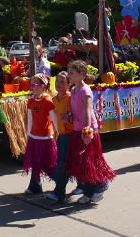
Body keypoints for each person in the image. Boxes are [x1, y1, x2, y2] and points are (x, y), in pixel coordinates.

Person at [66, 60, 116, 204]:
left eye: (71, 73)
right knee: (82, 164)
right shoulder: (74, 90)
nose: (69, 75)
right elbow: (76, 110)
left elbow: (87, 111)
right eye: (68, 72)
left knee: (90, 162)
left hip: (87, 131)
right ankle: (88, 192)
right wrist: (69, 116)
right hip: (77, 129)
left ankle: (100, 186)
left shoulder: (85, 90)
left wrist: (88, 131)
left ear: (81, 74)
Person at [46, 71, 84, 202]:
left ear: (69, 84)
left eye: (62, 82)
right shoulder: (54, 99)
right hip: (62, 136)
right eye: (56, 81)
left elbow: (77, 116)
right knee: (69, 163)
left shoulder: (70, 98)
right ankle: (82, 185)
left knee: (64, 164)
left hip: (71, 135)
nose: (58, 84)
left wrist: (69, 118)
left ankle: (59, 193)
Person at [23, 73, 58, 194]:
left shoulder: (47, 101)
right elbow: (30, 119)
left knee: (48, 162)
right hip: (34, 137)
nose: (31, 87)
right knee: (34, 162)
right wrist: (28, 135)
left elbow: (54, 118)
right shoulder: (31, 101)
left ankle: (60, 181)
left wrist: (60, 132)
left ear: (43, 86)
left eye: (34, 84)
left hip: (45, 137)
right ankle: (35, 186)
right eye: (30, 84)